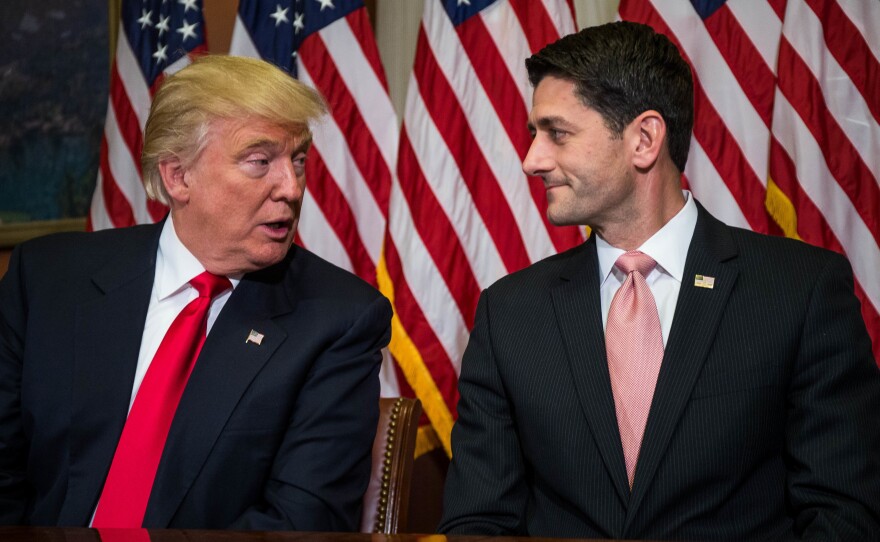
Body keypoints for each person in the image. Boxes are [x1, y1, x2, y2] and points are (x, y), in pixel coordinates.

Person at [438, 22, 880, 541]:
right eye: (534, 134)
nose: (532, 159)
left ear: (644, 139)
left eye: (556, 133)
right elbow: (479, 522)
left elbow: (843, 514)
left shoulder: (798, 291)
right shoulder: (509, 312)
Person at [0, 55, 391, 531]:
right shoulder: (47, 280)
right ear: (178, 176)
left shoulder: (338, 318)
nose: (291, 187)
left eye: (299, 160)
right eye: (260, 161)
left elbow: (299, 522)